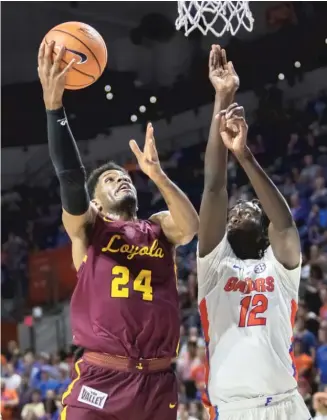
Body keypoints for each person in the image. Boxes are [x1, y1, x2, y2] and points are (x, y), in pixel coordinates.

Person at [37, 41, 199, 420]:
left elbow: (191, 227)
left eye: (124, 176)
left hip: (158, 382)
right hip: (101, 378)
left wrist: (157, 175)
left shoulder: (157, 227)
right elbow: (70, 178)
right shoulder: (89, 229)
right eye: (109, 179)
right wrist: (54, 108)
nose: (120, 180)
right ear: (94, 201)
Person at [197, 45, 311, 419]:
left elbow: (285, 224)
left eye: (250, 208)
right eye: (234, 210)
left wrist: (245, 155)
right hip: (235, 411)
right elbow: (214, 186)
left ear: (264, 233)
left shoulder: (280, 268)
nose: (237, 208)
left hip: (286, 405)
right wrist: (222, 96)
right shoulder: (214, 267)